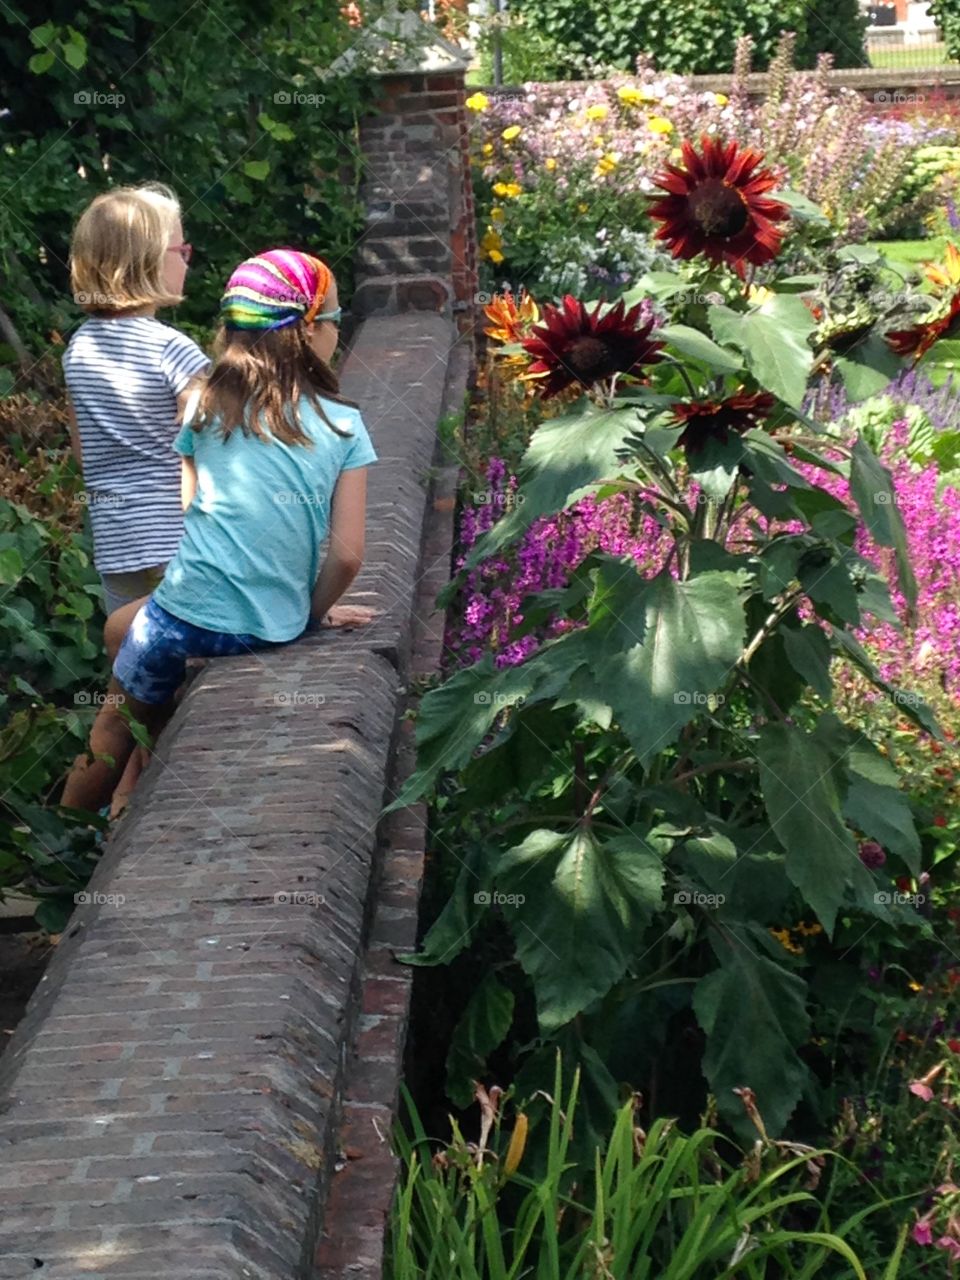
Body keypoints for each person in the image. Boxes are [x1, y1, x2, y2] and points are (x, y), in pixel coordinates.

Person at [61, 248, 377, 816]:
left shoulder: (203, 407)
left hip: (182, 622)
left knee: (113, 723)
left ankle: (62, 839)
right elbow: (349, 556)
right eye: (333, 319)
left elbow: (193, 517)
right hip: (273, 627)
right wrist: (304, 614)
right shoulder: (344, 424)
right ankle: (135, 798)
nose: (337, 330)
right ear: (308, 332)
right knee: (119, 627)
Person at [63, 182, 210, 633]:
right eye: (181, 249)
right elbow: (213, 444)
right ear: (146, 261)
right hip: (179, 534)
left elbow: (83, 451)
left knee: (135, 649)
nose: (187, 259)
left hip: (117, 537)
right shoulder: (173, 350)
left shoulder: (77, 350)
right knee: (194, 643)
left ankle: (129, 705)